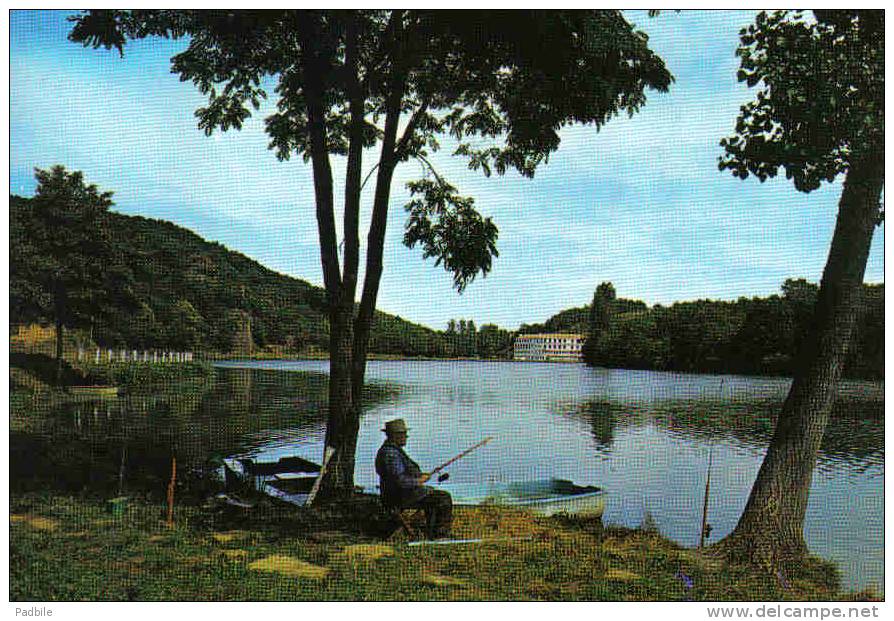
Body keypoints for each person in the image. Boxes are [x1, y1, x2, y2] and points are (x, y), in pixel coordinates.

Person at [375, 418, 452, 539]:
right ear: (395, 436)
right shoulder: (391, 454)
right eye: (404, 434)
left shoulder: (392, 451)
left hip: (397, 494)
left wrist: (420, 476)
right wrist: (419, 481)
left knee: (432, 494)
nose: (406, 436)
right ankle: (439, 534)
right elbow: (400, 481)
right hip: (398, 497)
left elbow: (401, 474)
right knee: (443, 498)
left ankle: (432, 531)